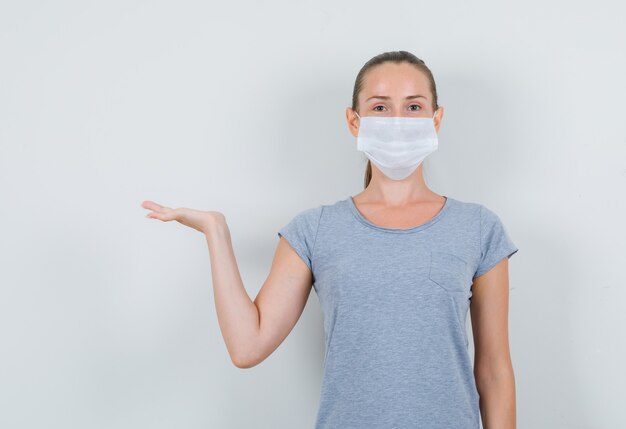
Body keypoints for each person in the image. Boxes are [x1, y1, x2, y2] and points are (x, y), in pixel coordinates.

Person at [141, 50, 519, 429]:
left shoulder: (478, 228)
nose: (398, 121)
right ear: (354, 122)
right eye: (381, 108)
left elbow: (494, 372)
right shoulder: (315, 230)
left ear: (436, 118)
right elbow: (247, 346)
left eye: (414, 106)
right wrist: (216, 232)